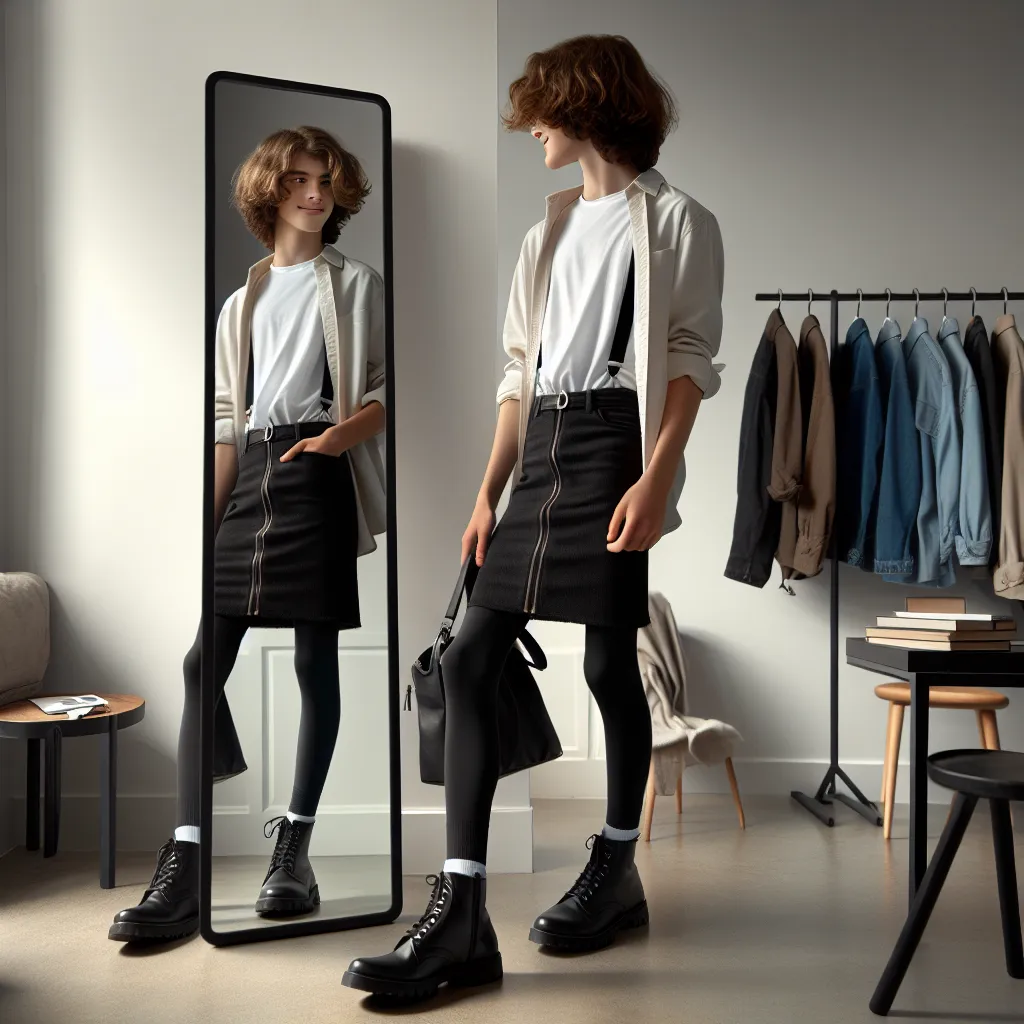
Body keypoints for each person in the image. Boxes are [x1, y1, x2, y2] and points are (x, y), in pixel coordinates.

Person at [342, 33, 723, 999]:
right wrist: (488, 490)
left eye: (541, 113)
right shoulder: (542, 234)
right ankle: (463, 915)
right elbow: (519, 373)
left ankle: (616, 866)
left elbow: (687, 362)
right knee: (468, 656)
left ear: (585, 105)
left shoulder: (678, 222)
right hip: (543, 445)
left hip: (616, 443)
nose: (532, 131)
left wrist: (656, 478)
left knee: (606, 663)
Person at [108, 126, 387, 943]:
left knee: (313, 662)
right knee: (205, 663)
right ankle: (188, 860)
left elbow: (384, 391)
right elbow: (227, 423)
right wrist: (207, 528)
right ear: (271, 190)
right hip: (252, 473)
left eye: (325, 180)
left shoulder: (357, 285)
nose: (314, 193)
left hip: (318, 472)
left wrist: (337, 439)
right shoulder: (241, 303)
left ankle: (293, 851)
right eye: (298, 179)